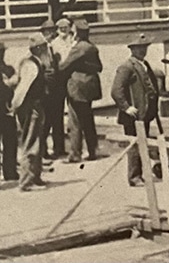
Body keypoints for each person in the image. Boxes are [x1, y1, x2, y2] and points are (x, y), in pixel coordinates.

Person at [112, 34, 161, 187]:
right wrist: (126, 107)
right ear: (132, 49)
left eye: (144, 47)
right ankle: (134, 177)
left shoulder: (144, 64)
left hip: (143, 114)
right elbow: (116, 90)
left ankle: (141, 174)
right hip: (132, 115)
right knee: (134, 146)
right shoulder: (127, 67)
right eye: (138, 48)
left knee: (142, 144)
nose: (142, 50)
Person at [59, 18, 103, 161]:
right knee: (88, 119)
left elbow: (64, 66)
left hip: (77, 88)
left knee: (75, 121)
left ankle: (75, 153)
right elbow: (99, 67)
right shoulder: (92, 47)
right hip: (90, 87)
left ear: (76, 32)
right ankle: (92, 150)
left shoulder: (79, 48)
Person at [13, 34, 50, 191]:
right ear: (39, 48)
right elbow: (22, 89)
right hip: (30, 108)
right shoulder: (31, 65)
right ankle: (26, 182)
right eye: (45, 46)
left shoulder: (37, 62)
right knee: (31, 143)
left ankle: (36, 176)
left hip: (37, 106)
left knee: (38, 142)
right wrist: (15, 107)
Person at [0, 42, 20, 181]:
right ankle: (10, 172)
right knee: (9, 141)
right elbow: (14, 85)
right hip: (6, 109)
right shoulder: (9, 69)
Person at [43, 17, 73, 159]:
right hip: (48, 90)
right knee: (47, 120)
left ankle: (59, 148)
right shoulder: (44, 49)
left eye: (51, 31)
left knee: (57, 119)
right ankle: (43, 151)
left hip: (57, 87)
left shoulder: (53, 46)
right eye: (46, 32)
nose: (49, 34)